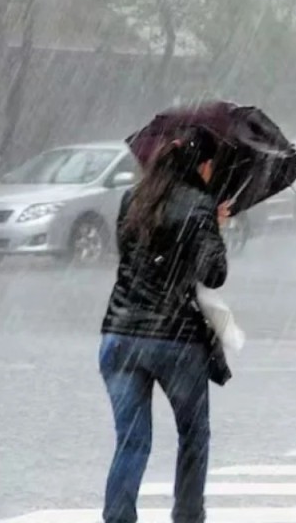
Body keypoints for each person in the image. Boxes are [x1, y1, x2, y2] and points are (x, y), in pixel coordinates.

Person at [99, 129, 230, 523]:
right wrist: (215, 229)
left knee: (132, 441)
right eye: (212, 165)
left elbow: (130, 257)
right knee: (193, 435)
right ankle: (188, 515)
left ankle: (118, 517)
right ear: (203, 165)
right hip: (175, 340)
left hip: (120, 335)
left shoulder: (132, 199)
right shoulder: (200, 205)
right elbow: (214, 273)